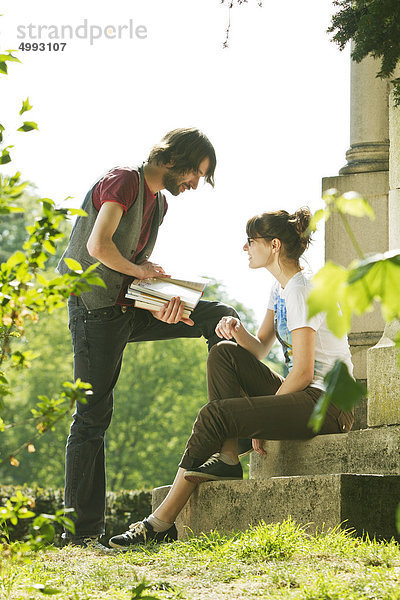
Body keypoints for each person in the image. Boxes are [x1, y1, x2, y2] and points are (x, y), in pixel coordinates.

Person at [109, 206, 355, 549]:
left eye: (250, 241)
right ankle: (226, 458)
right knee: (223, 352)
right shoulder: (280, 289)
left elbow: (301, 371)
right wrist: (237, 330)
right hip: (304, 396)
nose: (245, 248)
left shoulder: (302, 289)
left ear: (273, 246)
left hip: (327, 405)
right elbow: (257, 350)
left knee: (217, 415)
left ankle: (160, 522)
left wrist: (259, 419)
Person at [57, 128, 239, 548]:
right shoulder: (124, 180)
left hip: (128, 307)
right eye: (196, 173)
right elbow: (99, 247)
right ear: (173, 160)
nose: (195, 184)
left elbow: (129, 263)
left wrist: (160, 296)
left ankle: (227, 442)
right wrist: (141, 271)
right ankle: (80, 535)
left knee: (217, 317)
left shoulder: (159, 205)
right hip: (94, 311)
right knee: (92, 417)